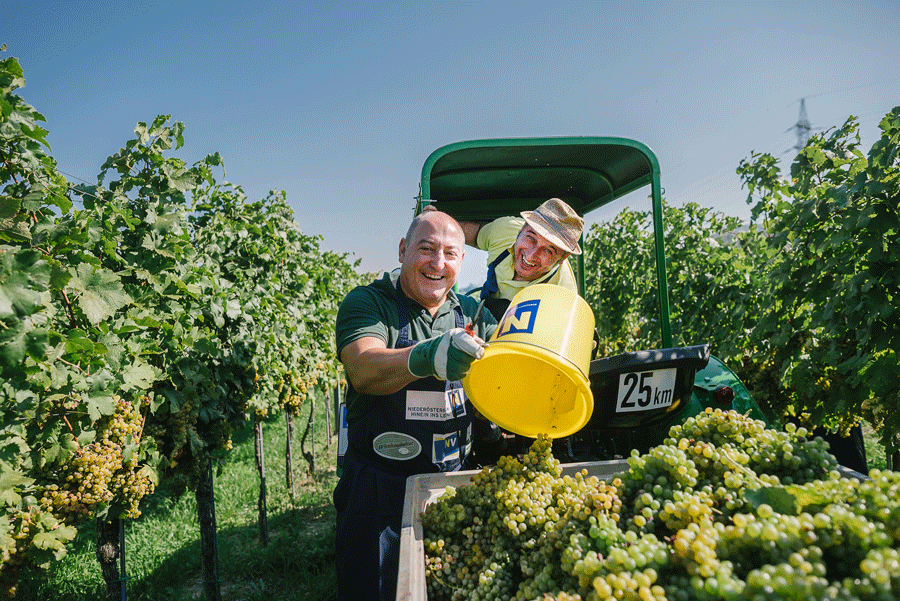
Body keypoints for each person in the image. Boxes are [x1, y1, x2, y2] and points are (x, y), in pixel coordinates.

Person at [333, 209, 498, 601]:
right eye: (426, 249)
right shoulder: (369, 303)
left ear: (462, 260)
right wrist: (425, 357)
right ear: (404, 250)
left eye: (450, 253)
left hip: (448, 489)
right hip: (378, 494)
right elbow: (362, 368)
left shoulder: (475, 316)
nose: (437, 263)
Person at [436, 197, 585, 320]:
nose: (532, 254)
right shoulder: (504, 230)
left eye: (547, 250)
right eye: (531, 238)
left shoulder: (562, 299)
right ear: (521, 228)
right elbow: (467, 234)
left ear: (563, 258)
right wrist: (437, 223)